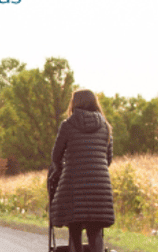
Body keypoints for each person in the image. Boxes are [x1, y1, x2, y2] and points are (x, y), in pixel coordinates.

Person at [49, 89, 115, 252]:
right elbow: (108, 159)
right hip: (100, 187)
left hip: (74, 185)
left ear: (75, 103)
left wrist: (61, 168)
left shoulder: (68, 125)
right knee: (95, 232)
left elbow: (56, 156)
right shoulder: (105, 127)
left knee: (75, 229)